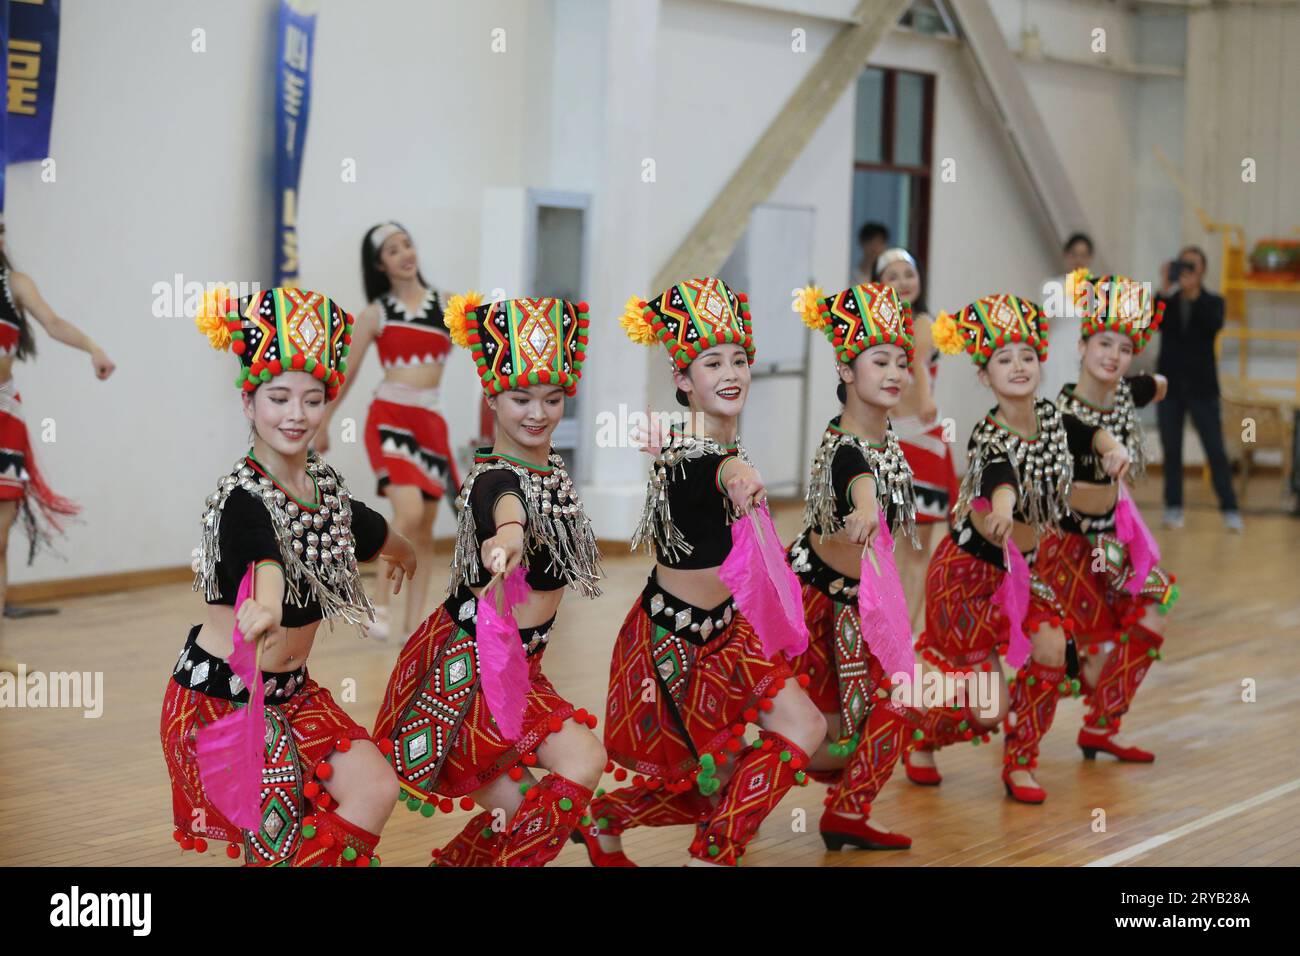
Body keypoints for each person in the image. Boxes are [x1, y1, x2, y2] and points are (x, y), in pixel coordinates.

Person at [163, 287, 416, 866]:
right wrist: (267, 604)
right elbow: (263, 558)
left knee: (375, 787)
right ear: (248, 402)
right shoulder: (241, 499)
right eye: (278, 398)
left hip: (293, 694)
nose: (296, 414)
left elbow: (363, 525)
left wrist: (401, 549)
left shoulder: (321, 487)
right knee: (274, 841)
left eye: (312, 399)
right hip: (225, 700)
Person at [582, 277, 825, 867]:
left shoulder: (714, 442)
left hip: (728, 632)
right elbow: (720, 470)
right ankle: (615, 821)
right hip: (675, 642)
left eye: (739, 360)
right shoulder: (693, 452)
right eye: (712, 362)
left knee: (802, 728)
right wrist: (741, 479)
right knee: (709, 782)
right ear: (684, 379)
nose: (731, 372)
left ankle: (704, 849)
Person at [372, 292, 606, 867]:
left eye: (552, 399)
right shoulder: (493, 479)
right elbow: (508, 509)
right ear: (492, 396)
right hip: (468, 673)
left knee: (549, 790)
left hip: (518, 667)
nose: (537, 412)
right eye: (520, 398)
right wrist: (508, 536)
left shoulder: (550, 470)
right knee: (558, 783)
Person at [916, 294, 1125, 803]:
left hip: (1021, 572)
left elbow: (1084, 431)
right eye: (1004, 359)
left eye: (1026, 356)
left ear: (1040, 363)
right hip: (967, 577)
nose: (1018, 366)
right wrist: (1004, 508)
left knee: (1052, 648)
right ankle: (920, 735)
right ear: (984, 375)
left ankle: (1021, 761)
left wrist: (1110, 447)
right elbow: (1000, 476)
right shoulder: (988, 436)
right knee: (988, 708)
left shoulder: (1050, 418)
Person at [786, 281, 921, 850]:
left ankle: (848, 810)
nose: (894, 373)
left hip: (858, 603)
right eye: (879, 361)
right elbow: (856, 479)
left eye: (901, 362)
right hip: (815, 605)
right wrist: (865, 509)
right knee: (790, 732)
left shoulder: (884, 438)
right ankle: (715, 818)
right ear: (845, 369)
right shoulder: (847, 447)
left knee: (895, 704)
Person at [1038, 272, 1176, 763]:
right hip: (1067, 546)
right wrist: (1111, 445)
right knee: (1075, 663)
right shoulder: (1060, 413)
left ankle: (1101, 725)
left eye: (1124, 348)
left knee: (1154, 613)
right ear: (1081, 346)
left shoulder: (1122, 393)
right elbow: (1085, 435)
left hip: (1112, 540)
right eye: (1103, 344)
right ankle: (1018, 724)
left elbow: (1157, 385)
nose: (1113, 355)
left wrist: (1154, 382)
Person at [318, 222, 460, 640]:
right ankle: (379, 605)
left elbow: (489, 346)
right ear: (379, 264)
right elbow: (346, 372)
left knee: (426, 526)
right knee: (409, 511)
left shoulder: (450, 306)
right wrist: (323, 420)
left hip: (431, 423)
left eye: (407, 244)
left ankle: (413, 627)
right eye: (393, 250)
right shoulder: (375, 314)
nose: (405, 254)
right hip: (390, 417)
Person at [0, 224, 115, 674]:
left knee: (0, 540)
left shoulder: (14, 284)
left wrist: (92, 347)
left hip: (5, 416)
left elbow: (52, 323)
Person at [872, 248, 957, 636]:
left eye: (909, 273)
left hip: (923, 442)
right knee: (886, 543)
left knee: (917, 545)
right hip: (886, 441)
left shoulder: (922, 322)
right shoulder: (874, 329)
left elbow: (918, 364)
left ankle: (902, 637)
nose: (903, 282)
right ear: (878, 285)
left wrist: (924, 400)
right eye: (892, 276)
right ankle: (885, 628)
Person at [1154, 246, 1241, 531]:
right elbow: (1151, 321)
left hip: (1203, 388)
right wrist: (1164, 287)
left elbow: (1213, 324)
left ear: (1203, 269)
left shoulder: (1213, 302)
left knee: (1215, 450)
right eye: (1183, 264)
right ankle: (1173, 507)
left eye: (1193, 265)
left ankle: (1230, 508)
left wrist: (1192, 293)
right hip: (1170, 388)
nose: (1187, 270)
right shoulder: (1167, 301)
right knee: (1172, 450)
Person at [1040, 232, 1095, 400]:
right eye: (1074, 254)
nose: (1079, 260)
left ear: (1090, 258)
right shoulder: (1053, 286)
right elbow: (1043, 323)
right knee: (1053, 396)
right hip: (1057, 352)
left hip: (1086, 353)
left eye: (1083, 255)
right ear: (1066, 255)